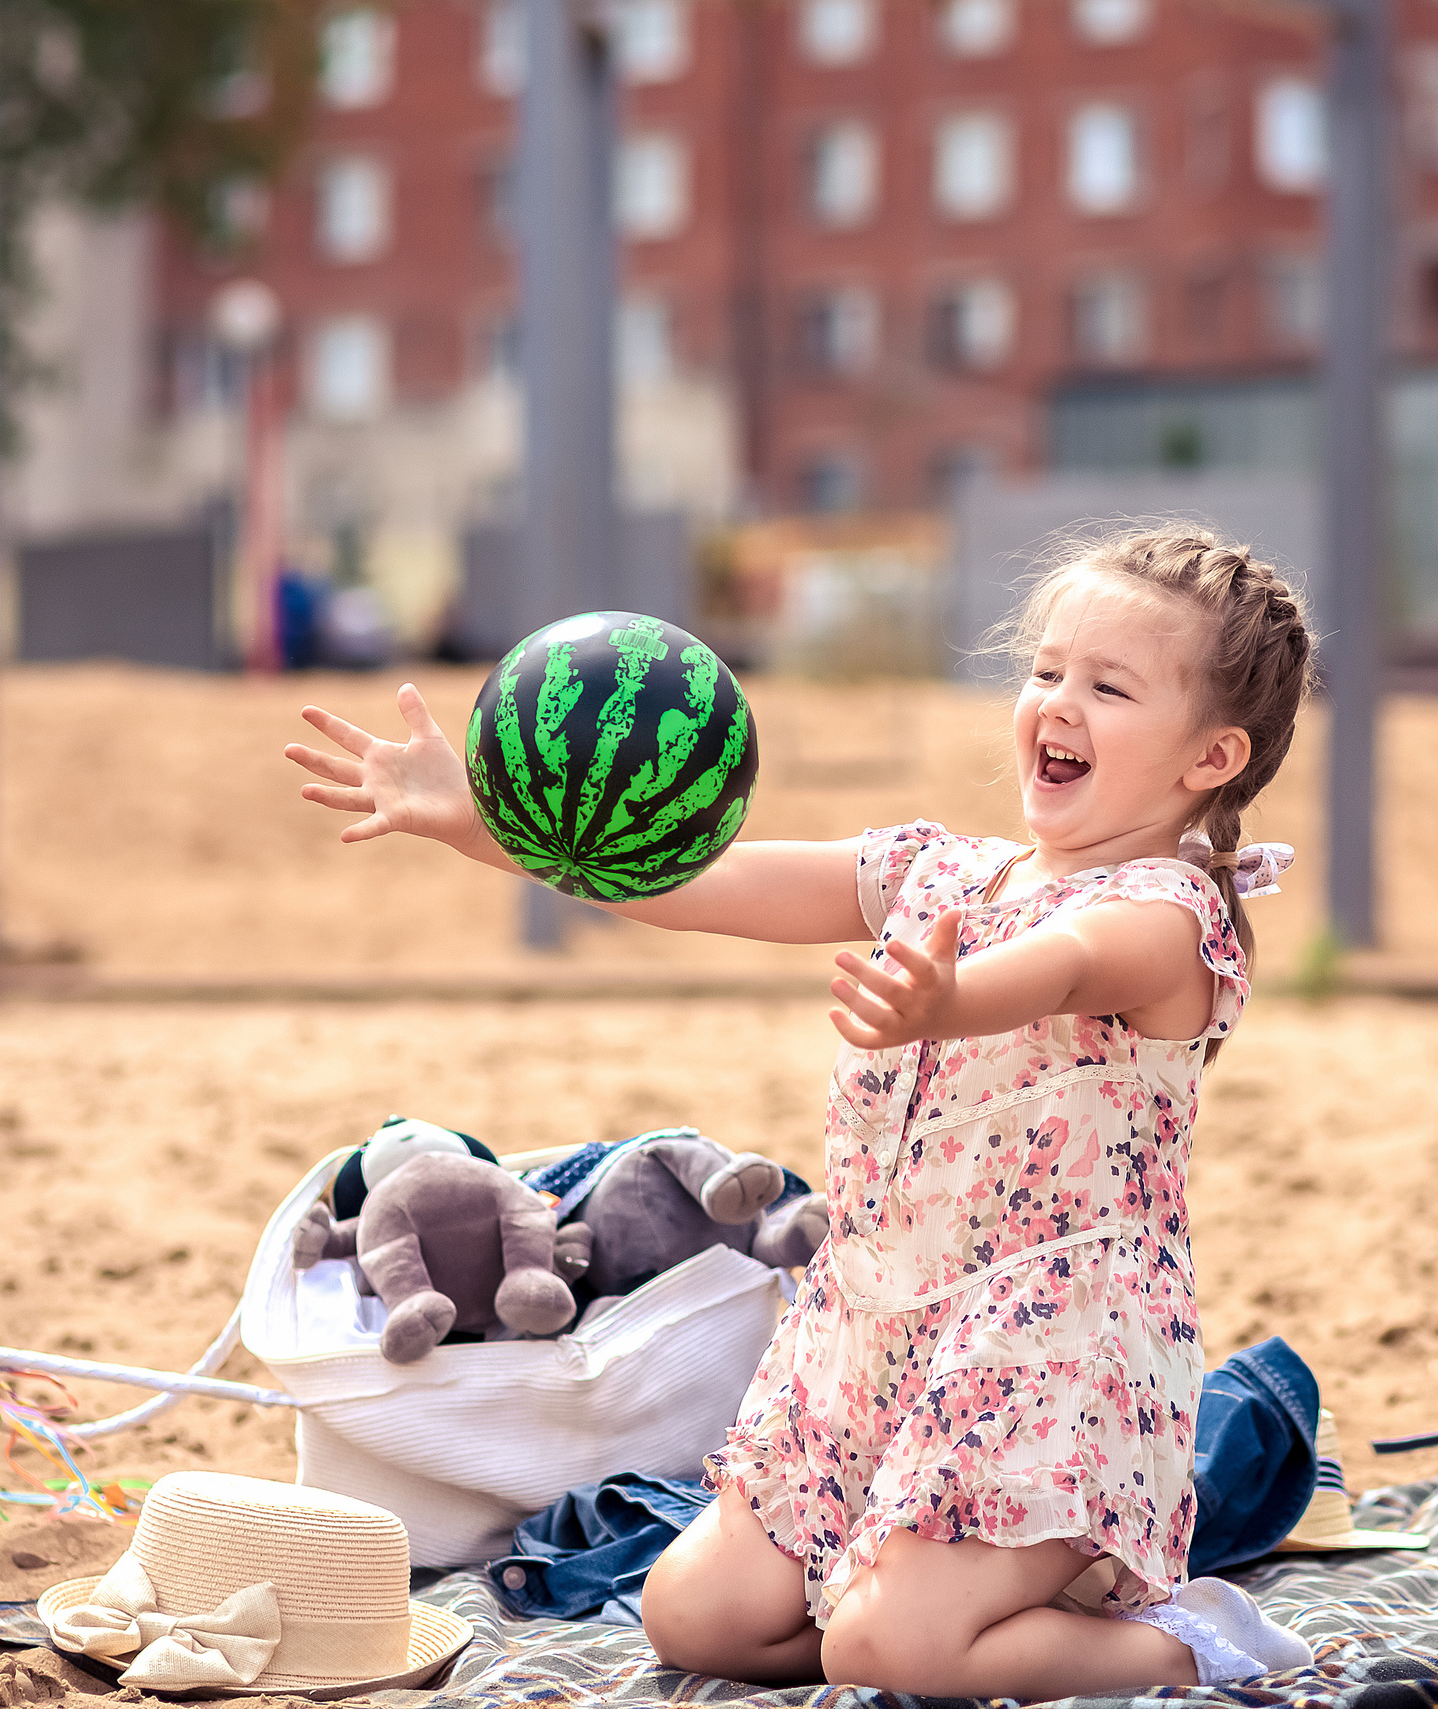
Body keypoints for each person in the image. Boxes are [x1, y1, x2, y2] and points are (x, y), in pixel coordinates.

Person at [282, 528, 1318, 1696]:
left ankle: (1191, 1637)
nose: (1058, 702)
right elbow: (693, 880)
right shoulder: (935, 870)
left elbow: (1071, 962)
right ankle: (967, 1589)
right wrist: (479, 821)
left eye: (1109, 686)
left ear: (1211, 756)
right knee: (693, 1616)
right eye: (1045, 670)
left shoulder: (1172, 913)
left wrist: (949, 998)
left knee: (892, 1646)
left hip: (1048, 1349)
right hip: (866, 1331)